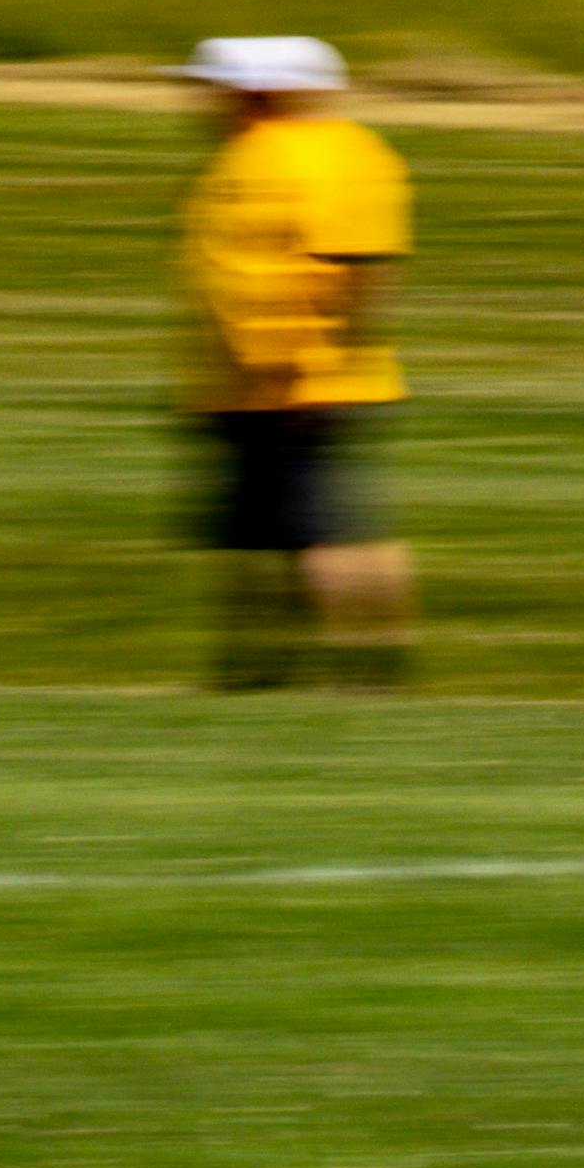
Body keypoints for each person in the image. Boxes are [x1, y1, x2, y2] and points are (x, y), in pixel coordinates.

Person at [173, 35, 415, 690]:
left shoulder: (323, 155)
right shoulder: (264, 153)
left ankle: (364, 676)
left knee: (319, 533)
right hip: (248, 383)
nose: (200, 101)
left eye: (213, 88)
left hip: (296, 381)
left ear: (257, 91)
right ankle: (262, 673)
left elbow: (360, 265)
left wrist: (315, 360)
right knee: (269, 537)